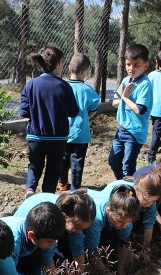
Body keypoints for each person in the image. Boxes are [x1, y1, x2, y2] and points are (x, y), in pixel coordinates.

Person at [19, 46, 79, 197]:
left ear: (40, 65)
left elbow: (23, 112)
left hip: (35, 137)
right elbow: (73, 112)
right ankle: (47, 197)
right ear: (59, 63)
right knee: (53, 169)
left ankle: (30, 189)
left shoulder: (31, 84)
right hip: (57, 139)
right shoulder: (64, 86)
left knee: (34, 165)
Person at [14, 189, 96, 270]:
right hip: (31, 238)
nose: (79, 231)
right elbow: (47, 254)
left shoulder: (70, 213)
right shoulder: (51, 221)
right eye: (77, 228)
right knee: (37, 260)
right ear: (64, 216)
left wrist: (81, 273)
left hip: (46, 233)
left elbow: (77, 246)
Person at [99, 171, 161, 262]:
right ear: (136, 190)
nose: (149, 203)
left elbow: (149, 224)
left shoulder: (150, 202)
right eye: (146, 199)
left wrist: (145, 250)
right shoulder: (121, 196)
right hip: (111, 216)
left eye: (153, 201)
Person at [108, 44, 153, 179]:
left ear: (145, 66)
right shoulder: (126, 80)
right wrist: (122, 98)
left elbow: (139, 110)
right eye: (128, 64)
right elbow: (114, 103)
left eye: (136, 65)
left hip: (134, 133)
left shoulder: (145, 84)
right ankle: (122, 184)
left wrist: (125, 97)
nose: (131, 68)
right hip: (121, 129)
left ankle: (128, 192)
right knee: (113, 161)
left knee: (128, 166)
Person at [81, 186, 140, 275]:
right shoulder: (97, 218)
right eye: (121, 222)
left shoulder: (125, 219)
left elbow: (123, 243)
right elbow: (91, 253)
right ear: (108, 210)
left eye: (128, 223)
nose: (124, 226)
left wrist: (121, 271)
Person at [58, 54, 100, 192]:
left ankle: (62, 183)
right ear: (84, 71)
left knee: (63, 160)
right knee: (77, 162)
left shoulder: (62, 87)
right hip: (81, 134)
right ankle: (75, 189)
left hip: (63, 132)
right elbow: (93, 108)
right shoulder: (87, 90)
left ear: (69, 67)